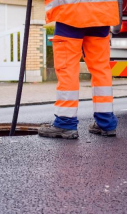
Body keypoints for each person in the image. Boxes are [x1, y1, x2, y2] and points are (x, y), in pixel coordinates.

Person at [39, 0, 120, 139]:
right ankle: (106, 122)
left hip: (71, 13)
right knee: (101, 68)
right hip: (102, 13)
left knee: (67, 68)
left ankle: (65, 123)